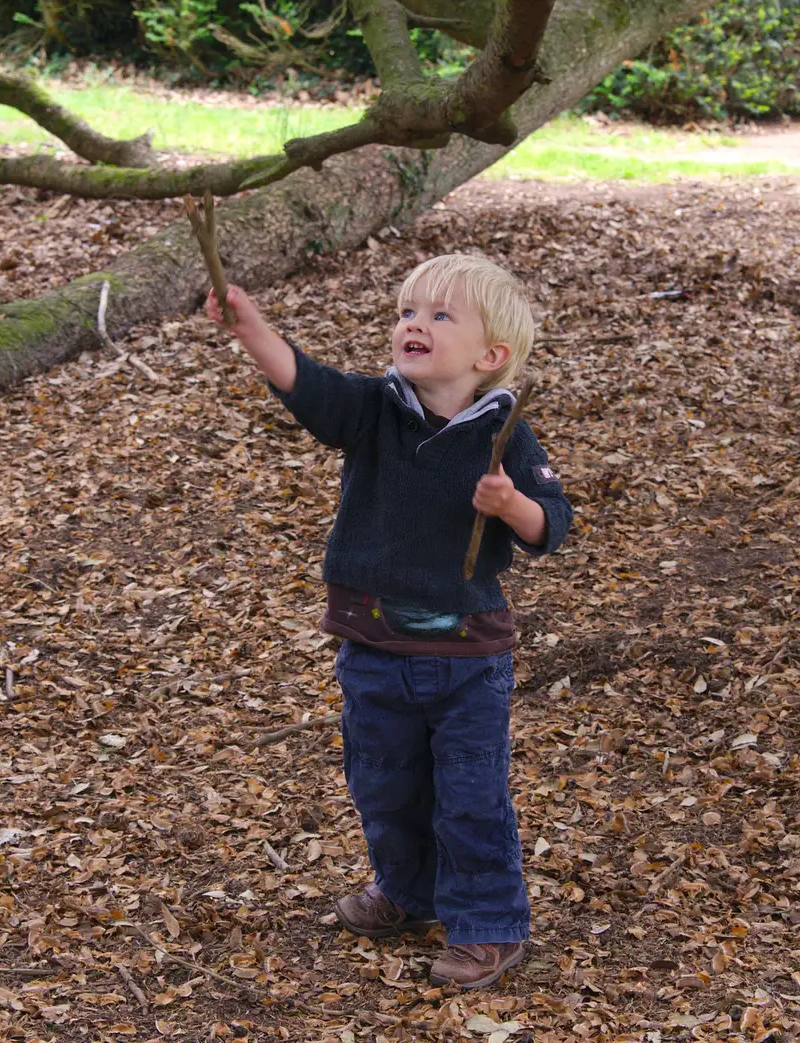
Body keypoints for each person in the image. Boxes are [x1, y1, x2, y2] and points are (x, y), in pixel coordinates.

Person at [205, 254, 573, 989]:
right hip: (372, 647)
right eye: (408, 311)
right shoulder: (376, 409)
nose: (415, 324)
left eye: (440, 316)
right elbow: (309, 386)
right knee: (385, 782)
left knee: (470, 793)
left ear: (489, 355)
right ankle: (409, 891)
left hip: (467, 660)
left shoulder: (503, 433)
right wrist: (252, 330)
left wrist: (511, 508)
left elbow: (553, 523)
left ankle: (487, 923)